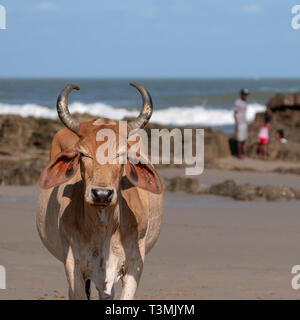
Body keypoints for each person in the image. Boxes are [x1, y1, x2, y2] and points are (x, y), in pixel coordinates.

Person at [234, 89, 249, 159]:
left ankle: (241, 153)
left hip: (244, 122)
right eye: (244, 94)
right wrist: (236, 124)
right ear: (241, 94)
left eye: (246, 94)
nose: (245, 96)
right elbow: (235, 113)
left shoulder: (245, 102)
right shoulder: (238, 102)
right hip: (239, 123)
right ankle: (239, 154)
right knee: (239, 140)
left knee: (244, 139)